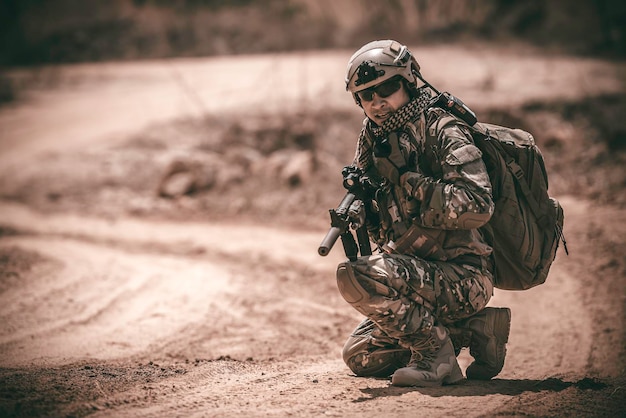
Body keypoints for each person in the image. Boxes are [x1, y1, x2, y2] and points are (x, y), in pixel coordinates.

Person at [336, 39, 511, 387]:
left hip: (463, 275)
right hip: (416, 272)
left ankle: (437, 357)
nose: (377, 102)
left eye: (387, 88)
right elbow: (391, 227)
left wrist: (407, 181)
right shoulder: (374, 140)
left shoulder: (441, 129)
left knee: (355, 277)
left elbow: (477, 205)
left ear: (409, 81)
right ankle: (476, 328)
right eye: (366, 95)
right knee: (360, 356)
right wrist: (365, 214)